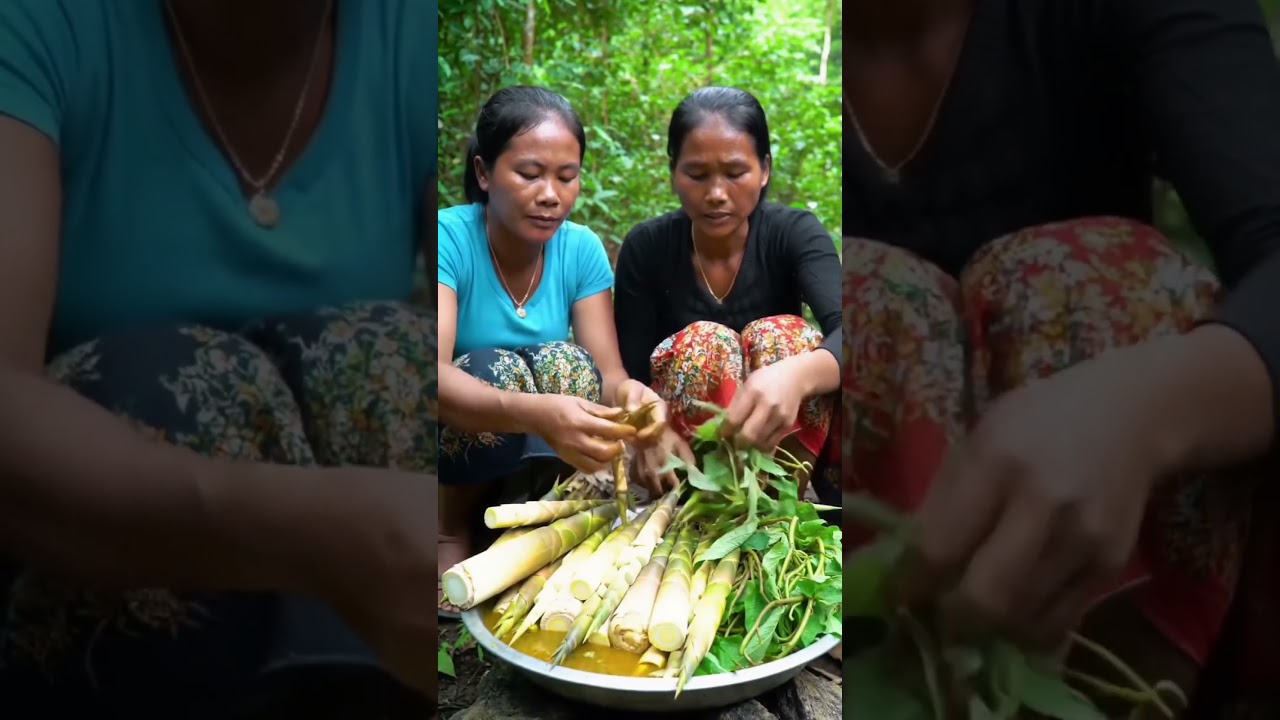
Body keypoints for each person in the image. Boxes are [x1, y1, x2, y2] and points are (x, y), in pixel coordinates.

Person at [840, 0, 1280, 714]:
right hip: (852, 584)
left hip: (1121, 567)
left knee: (1092, 275)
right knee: (856, 297)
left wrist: (1150, 410)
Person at [0, 0, 438, 717]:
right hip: (100, 551)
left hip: (368, 578)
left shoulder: (408, 31)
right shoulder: (40, 24)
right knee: (160, 388)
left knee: (399, 358)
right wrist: (311, 533)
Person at [436, 86, 673, 617]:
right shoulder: (447, 238)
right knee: (492, 368)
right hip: (449, 446)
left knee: (569, 364)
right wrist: (535, 412)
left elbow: (609, 374)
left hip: (530, 445)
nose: (551, 195)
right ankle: (448, 529)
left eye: (567, 177)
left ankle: (528, 518)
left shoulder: (580, 248)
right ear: (483, 172)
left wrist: (636, 400)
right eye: (530, 174)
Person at [614, 87, 842, 505]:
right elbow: (629, 376)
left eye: (735, 173)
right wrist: (647, 425)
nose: (716, 193)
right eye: (697, 175)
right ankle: (704, 503)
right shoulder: (647, 248)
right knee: (704, 341)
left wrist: (797, 374)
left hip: (783, 454)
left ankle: (780, 504)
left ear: (764, 170)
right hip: (689, 463)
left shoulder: (794, 233)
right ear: (673, 172)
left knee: (786, 337)